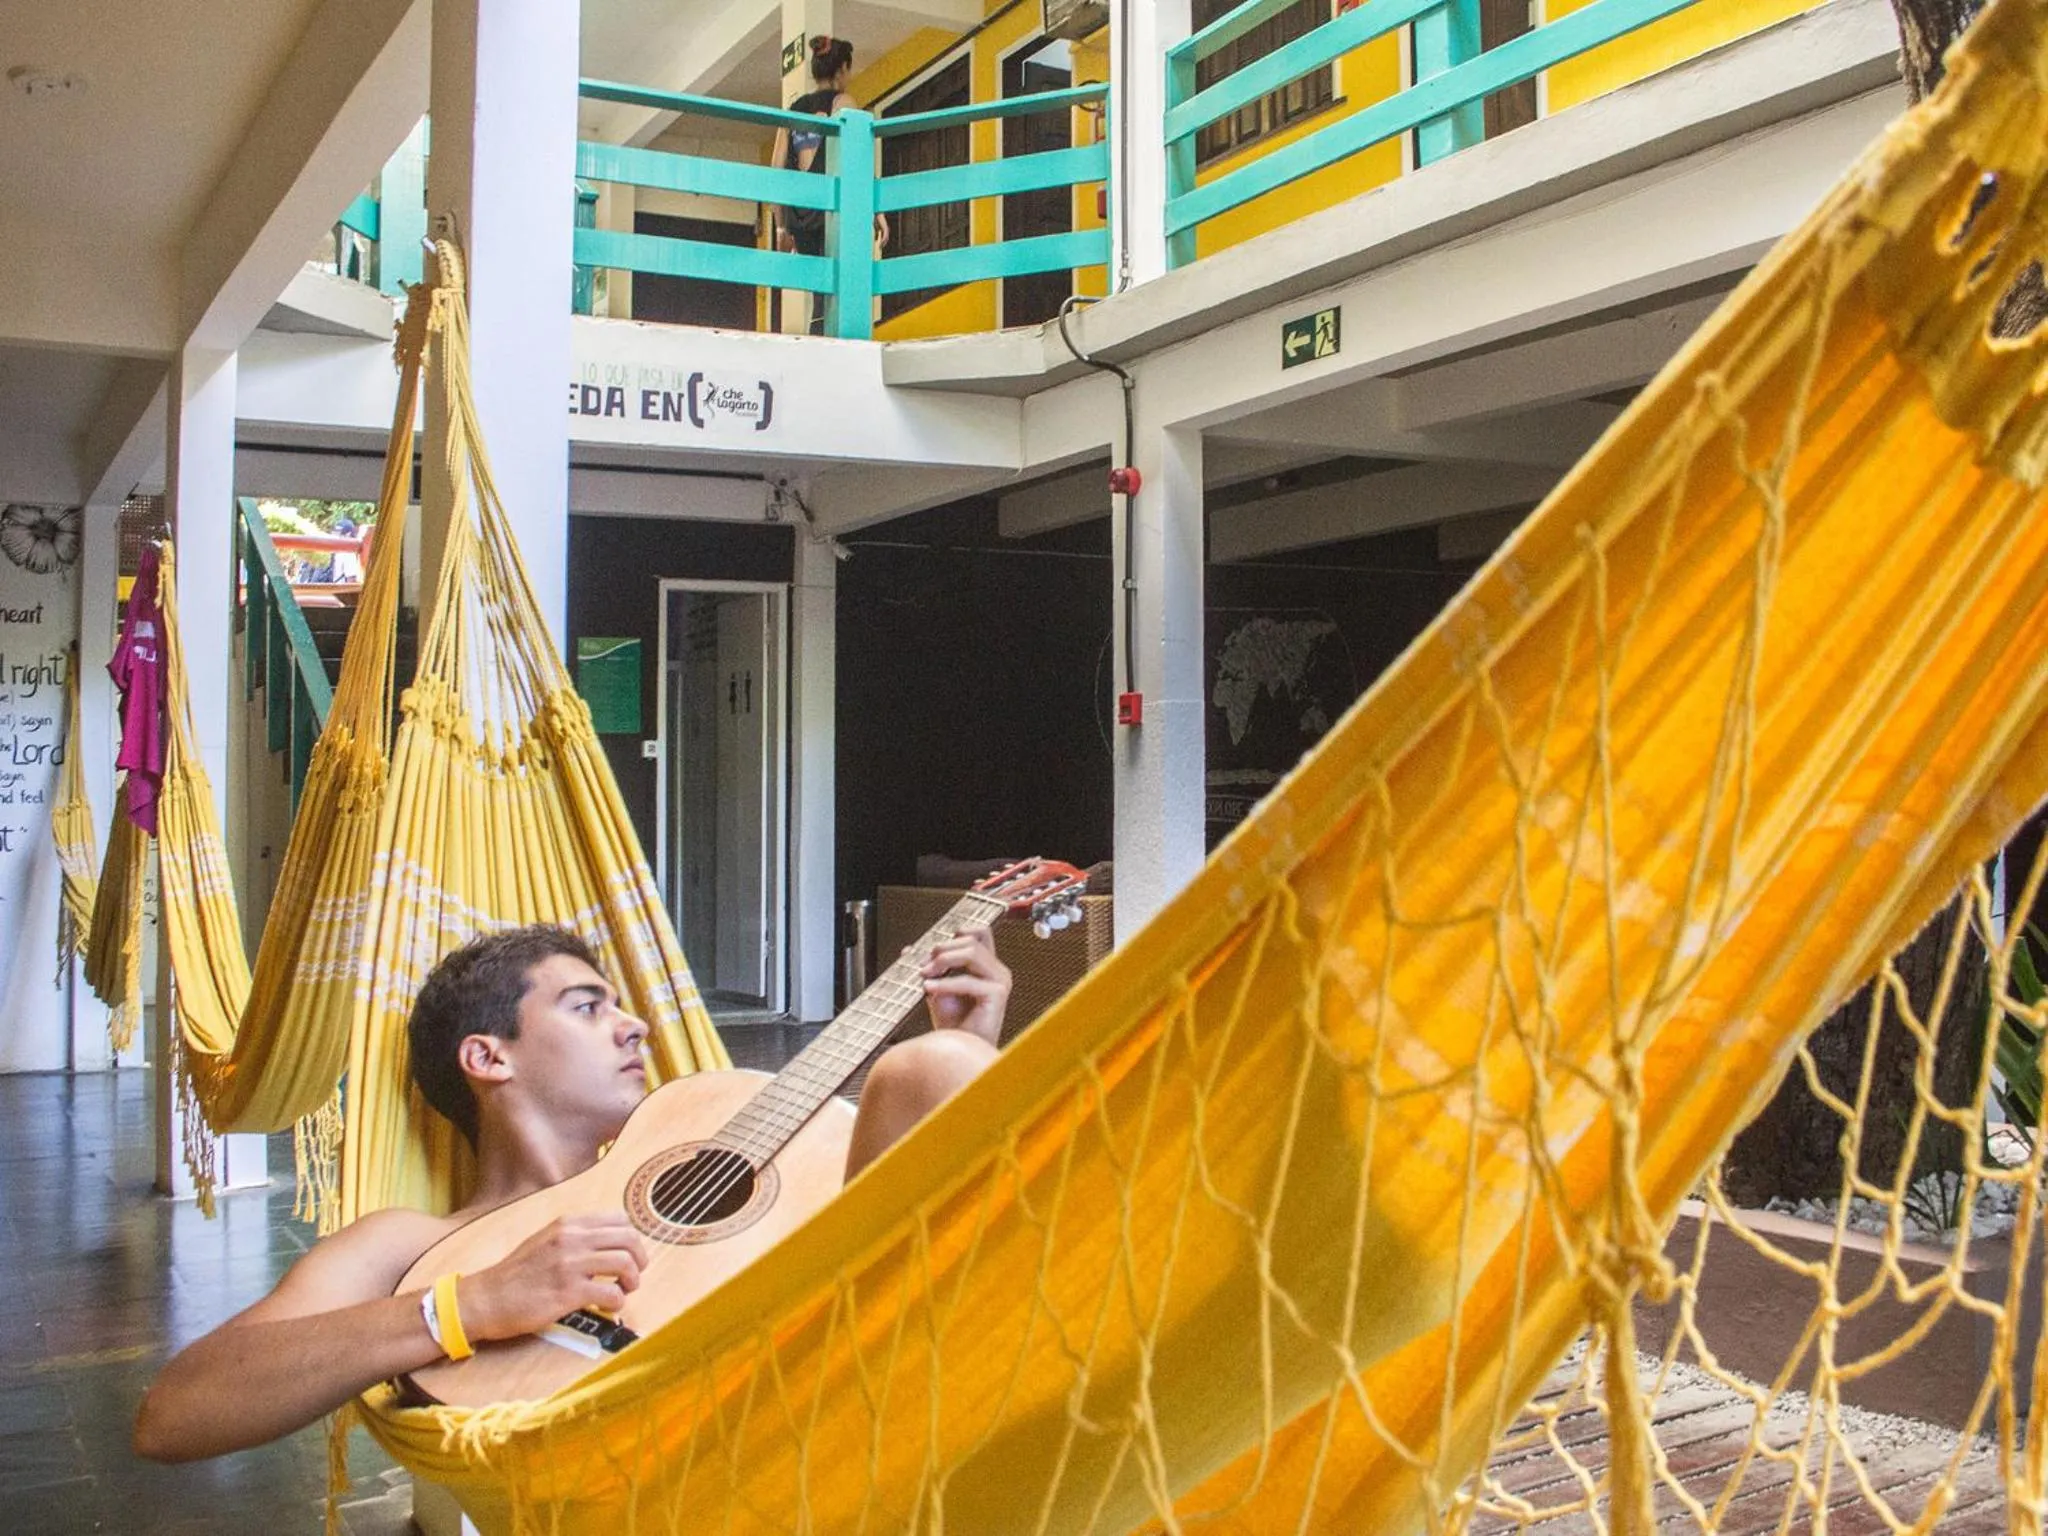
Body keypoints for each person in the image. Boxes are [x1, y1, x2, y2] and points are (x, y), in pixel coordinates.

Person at [132, 921, 1010, 1463]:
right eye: (588, 1007)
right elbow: (174, 1415)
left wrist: (970, 1059)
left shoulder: (741, 1165)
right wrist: (472, 1303)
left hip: (855, 1391)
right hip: (681, 1459)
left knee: (930, 1067)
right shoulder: (416, 1247)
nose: (638, 1024)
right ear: (488, 1056)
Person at [768, 35, 889, 334]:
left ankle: (819, 338)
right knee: (841, 283)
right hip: (833, 209)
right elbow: (856, 157)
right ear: (842, 69)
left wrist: (781, 226)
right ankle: (833, 343)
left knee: (820, 289)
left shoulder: (792, 111)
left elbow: (777, 168)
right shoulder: (844, 104)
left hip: (800, 213)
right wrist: (877, 209)